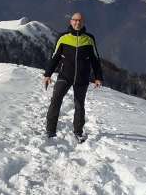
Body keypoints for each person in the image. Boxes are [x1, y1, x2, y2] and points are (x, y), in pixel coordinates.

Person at [42, 12, 103, 141]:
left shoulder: (89, 39)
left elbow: (95, 59)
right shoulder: (63, 37)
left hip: (82, 77)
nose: (77, 22)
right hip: (65, 76)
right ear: (71, 21)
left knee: (79, 105)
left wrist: (98, 77)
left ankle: (78, 132)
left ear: (83, 22)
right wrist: (48, 74)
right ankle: (50, 130)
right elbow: (55, 57)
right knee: (55, 100)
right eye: (75, 20)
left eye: (80, 20)